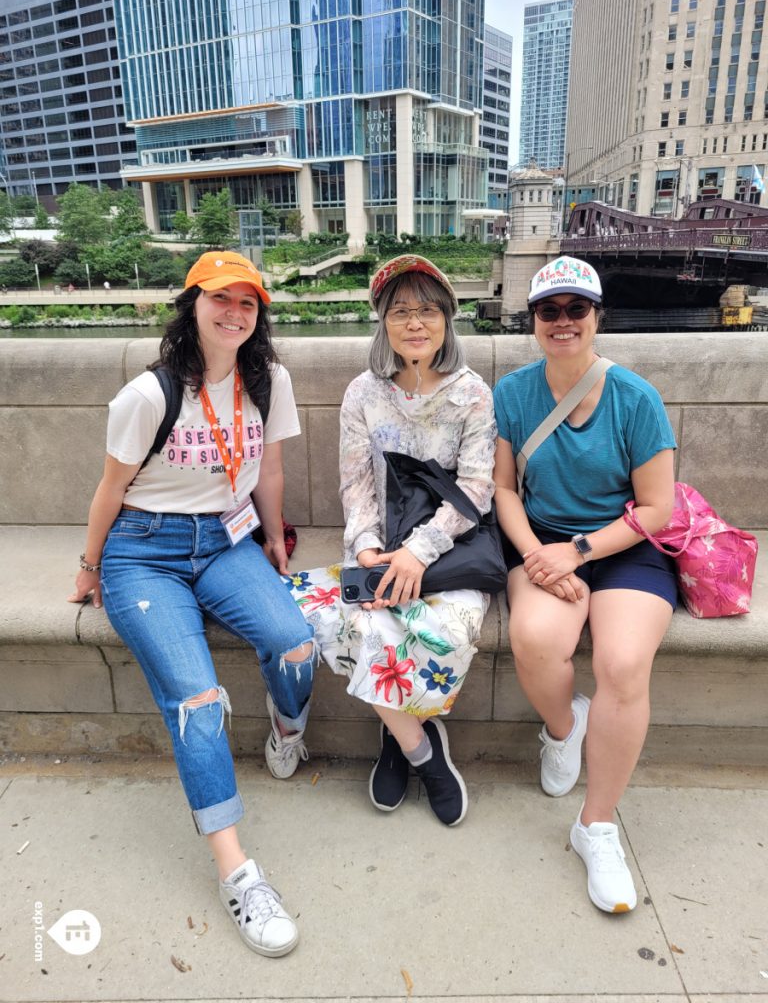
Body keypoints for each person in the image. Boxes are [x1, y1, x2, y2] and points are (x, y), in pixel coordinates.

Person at [68, 250, 316, 957]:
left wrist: (273, 538)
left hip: (228, 541)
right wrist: (91, 568)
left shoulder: (268, 381)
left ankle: (286, 729)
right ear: (192, 305)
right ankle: (238, 872)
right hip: (144, 550)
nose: (234, 313)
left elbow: (267, 466)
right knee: (197, 698)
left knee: (296, 641)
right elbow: (110, 491)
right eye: (220, 299)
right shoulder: (148, 396)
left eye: (248, 303)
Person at [283, 255, 496, 827]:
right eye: (400, 311)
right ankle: (421, 751)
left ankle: (394, 739)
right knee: (339, 619)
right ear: (383, 321)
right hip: (377, 545)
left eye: (427, 310)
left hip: (447, 550)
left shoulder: (472, 394)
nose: (415, 322)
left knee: (442, 629)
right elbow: (354, 483)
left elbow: (476, 488)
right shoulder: (363, 393)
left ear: (448, 318)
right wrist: (370, 550)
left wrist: (417, 553)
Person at [493, 256, 677, 914]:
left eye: (577, 309)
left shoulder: (636, 398)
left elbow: (658, 508)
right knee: (535, 638)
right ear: (534, 321)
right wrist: (539, 557)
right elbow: (503, 490)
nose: (563, 322)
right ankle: (561, 727)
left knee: (623, 663)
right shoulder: (513, 393)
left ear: (598, 316)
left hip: (624, 547)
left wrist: (576, 553)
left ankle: (595, 827)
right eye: (550, 311)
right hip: (542, 541)